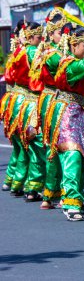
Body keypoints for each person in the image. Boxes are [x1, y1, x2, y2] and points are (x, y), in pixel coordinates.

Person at [44, 22, 84, 221]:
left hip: (79, 110)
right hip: (66, 112)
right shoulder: (69, 63)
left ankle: (76, 200)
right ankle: (69, 202)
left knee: (83, 157)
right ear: (73, 45)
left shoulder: (77, 61)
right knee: (72, 156)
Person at [29, 9, 67, 209]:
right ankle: (57, 193)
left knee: (56, 146)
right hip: (55, 100)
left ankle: (52, 193)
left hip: (53, 99)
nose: (65, 36)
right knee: (59, 146)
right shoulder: (52, 53)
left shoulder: (55, 50)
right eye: (61, 32)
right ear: (51, 34)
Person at [10, 21, 46, 201]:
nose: (42, 40)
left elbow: (10, 76)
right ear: (31, 37)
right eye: (39, 37)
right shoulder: (34, 52)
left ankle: (17, 182)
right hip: (32, 102)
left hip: (19, 100)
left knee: (24, 145)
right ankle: (34, 186)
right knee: (37, 146)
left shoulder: (18, 51)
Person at [1, 20, 26, 191]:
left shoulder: (15, 54)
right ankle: (23, 184)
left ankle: (11, 179)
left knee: (20, 146)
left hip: (13, 101)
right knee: (25, 146)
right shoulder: (24, 54)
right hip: (22, 102)